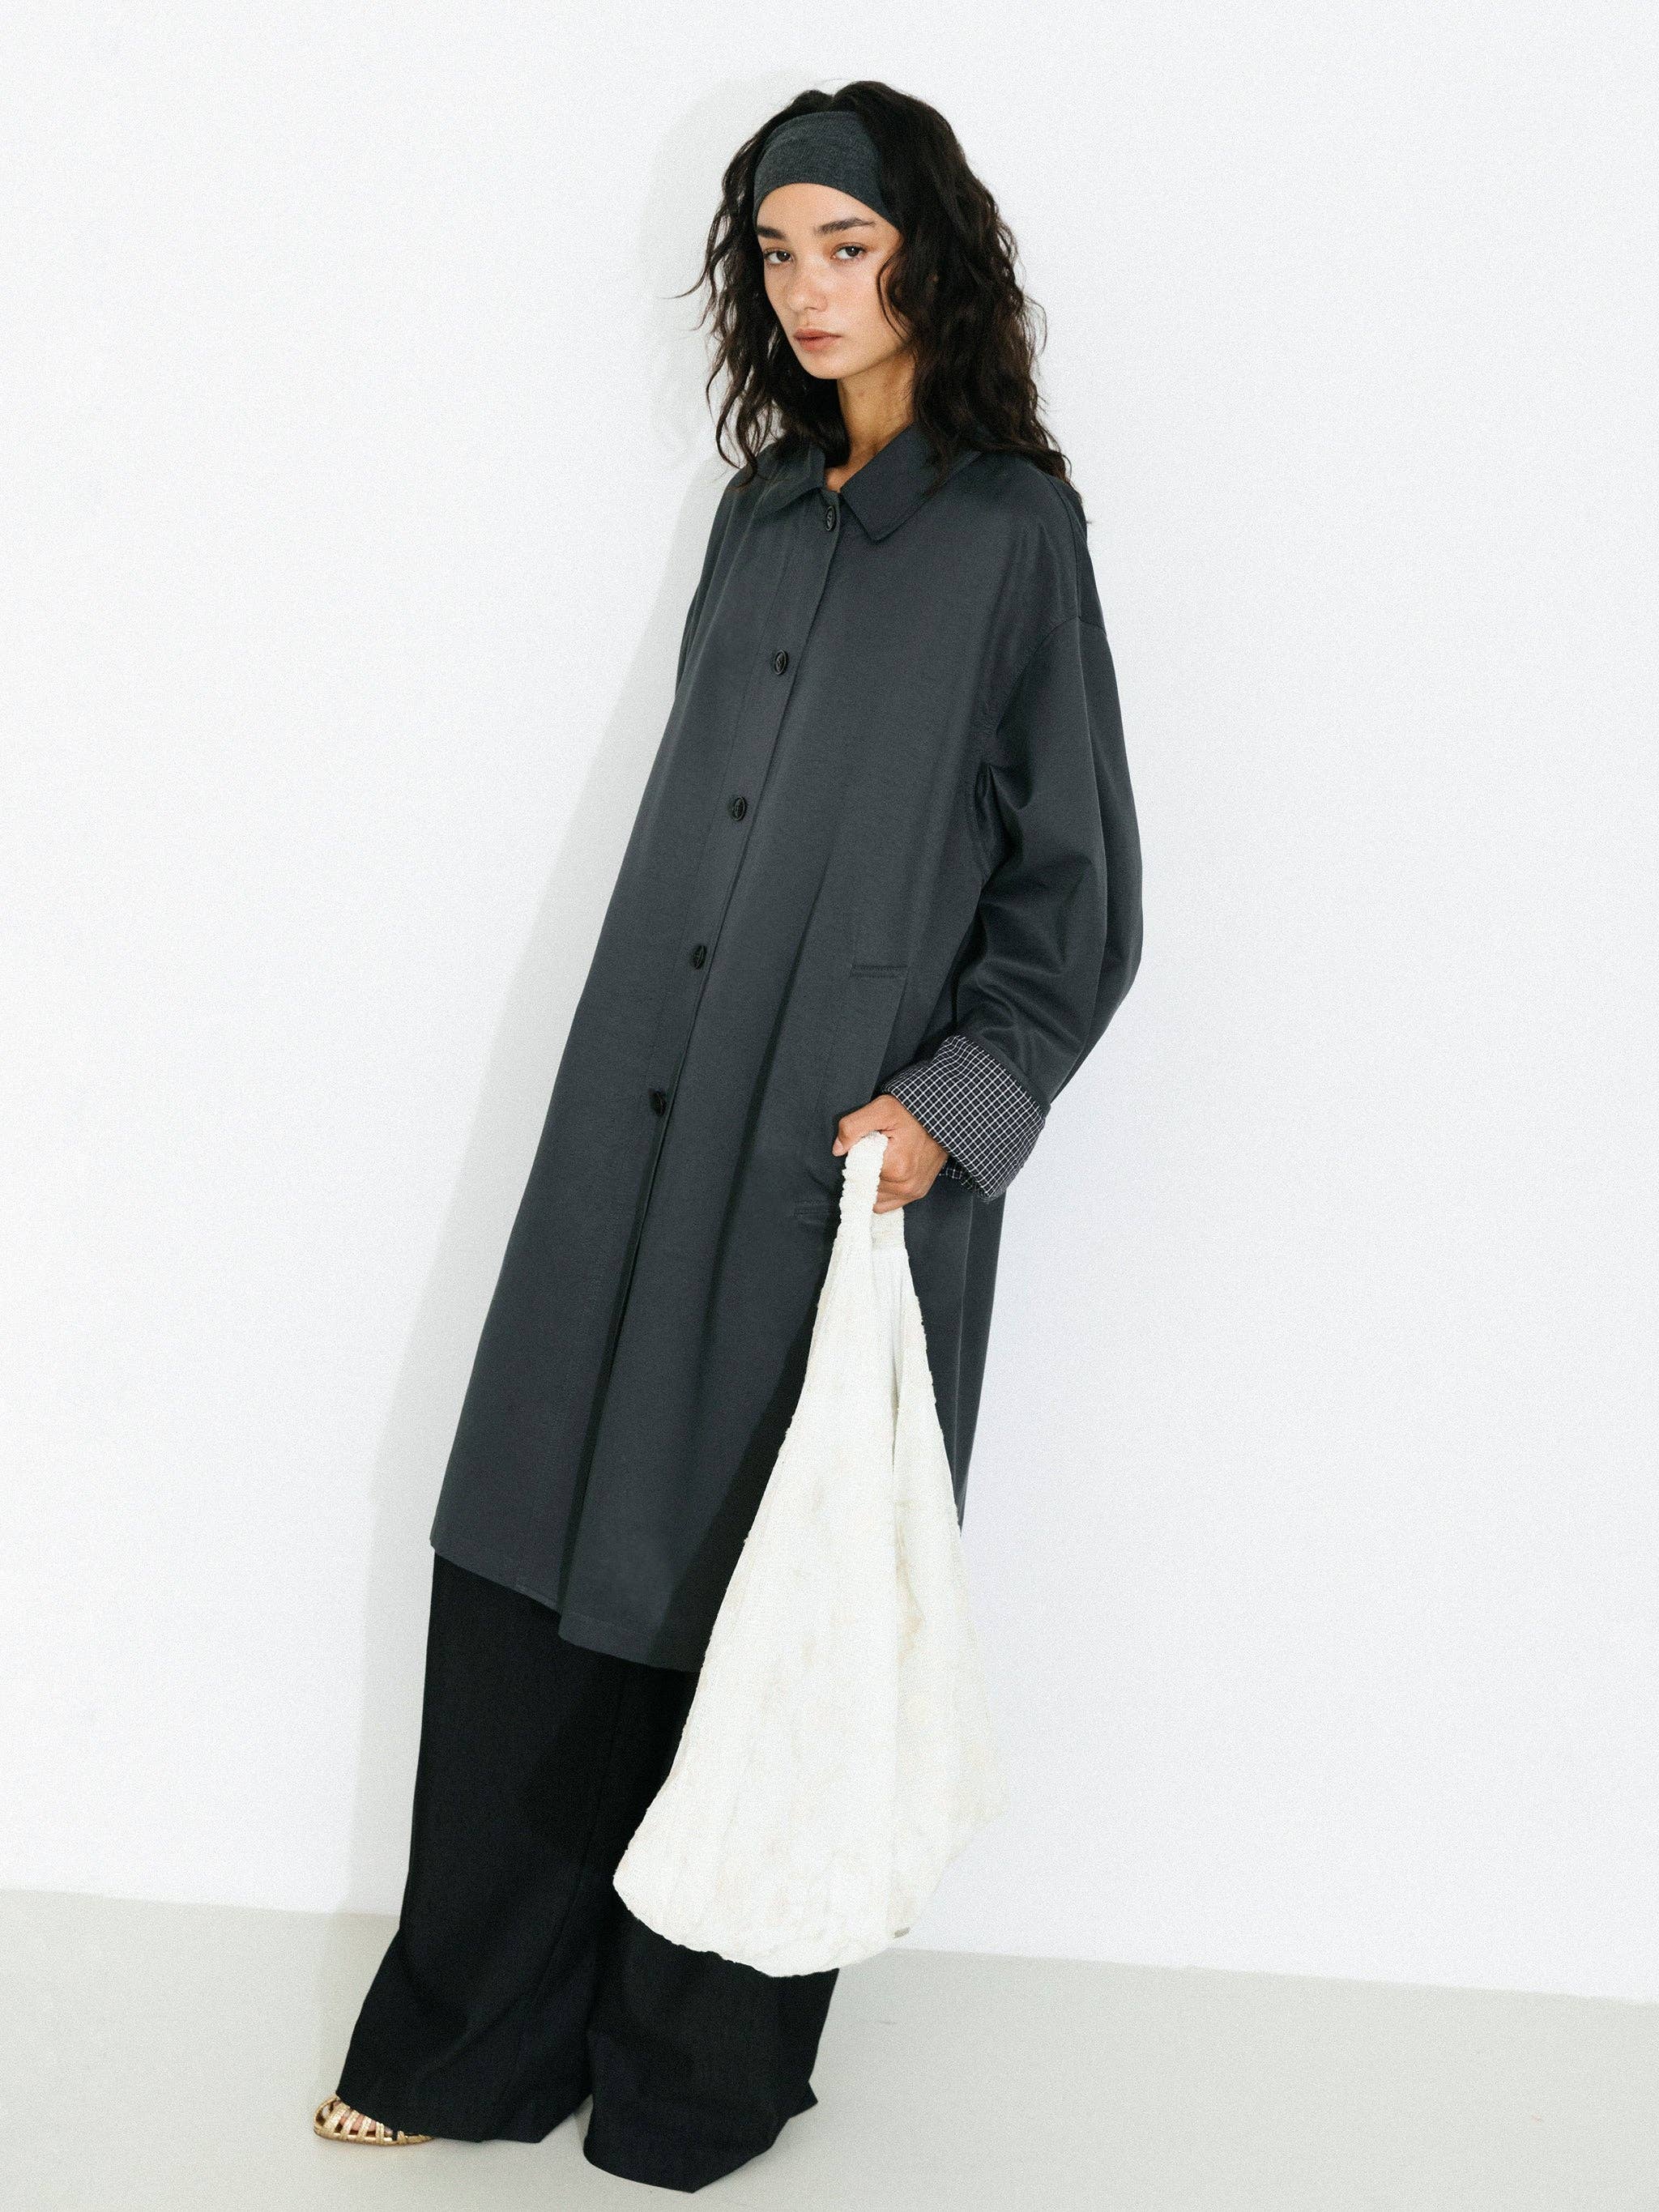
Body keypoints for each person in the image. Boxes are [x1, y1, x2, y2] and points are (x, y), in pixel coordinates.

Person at [313, 80, 1143, 2193]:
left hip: (832, 1169)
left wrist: (948, 1116)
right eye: (776, 253)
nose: (806, 290)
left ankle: (697, 2076)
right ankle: (474, 2037)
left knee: (763, 1592)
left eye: (845, 246)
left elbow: (1081, 897)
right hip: (634, 1123)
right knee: (534, 1529)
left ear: (930, 255)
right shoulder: (761, 513)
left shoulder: (1014, 535)